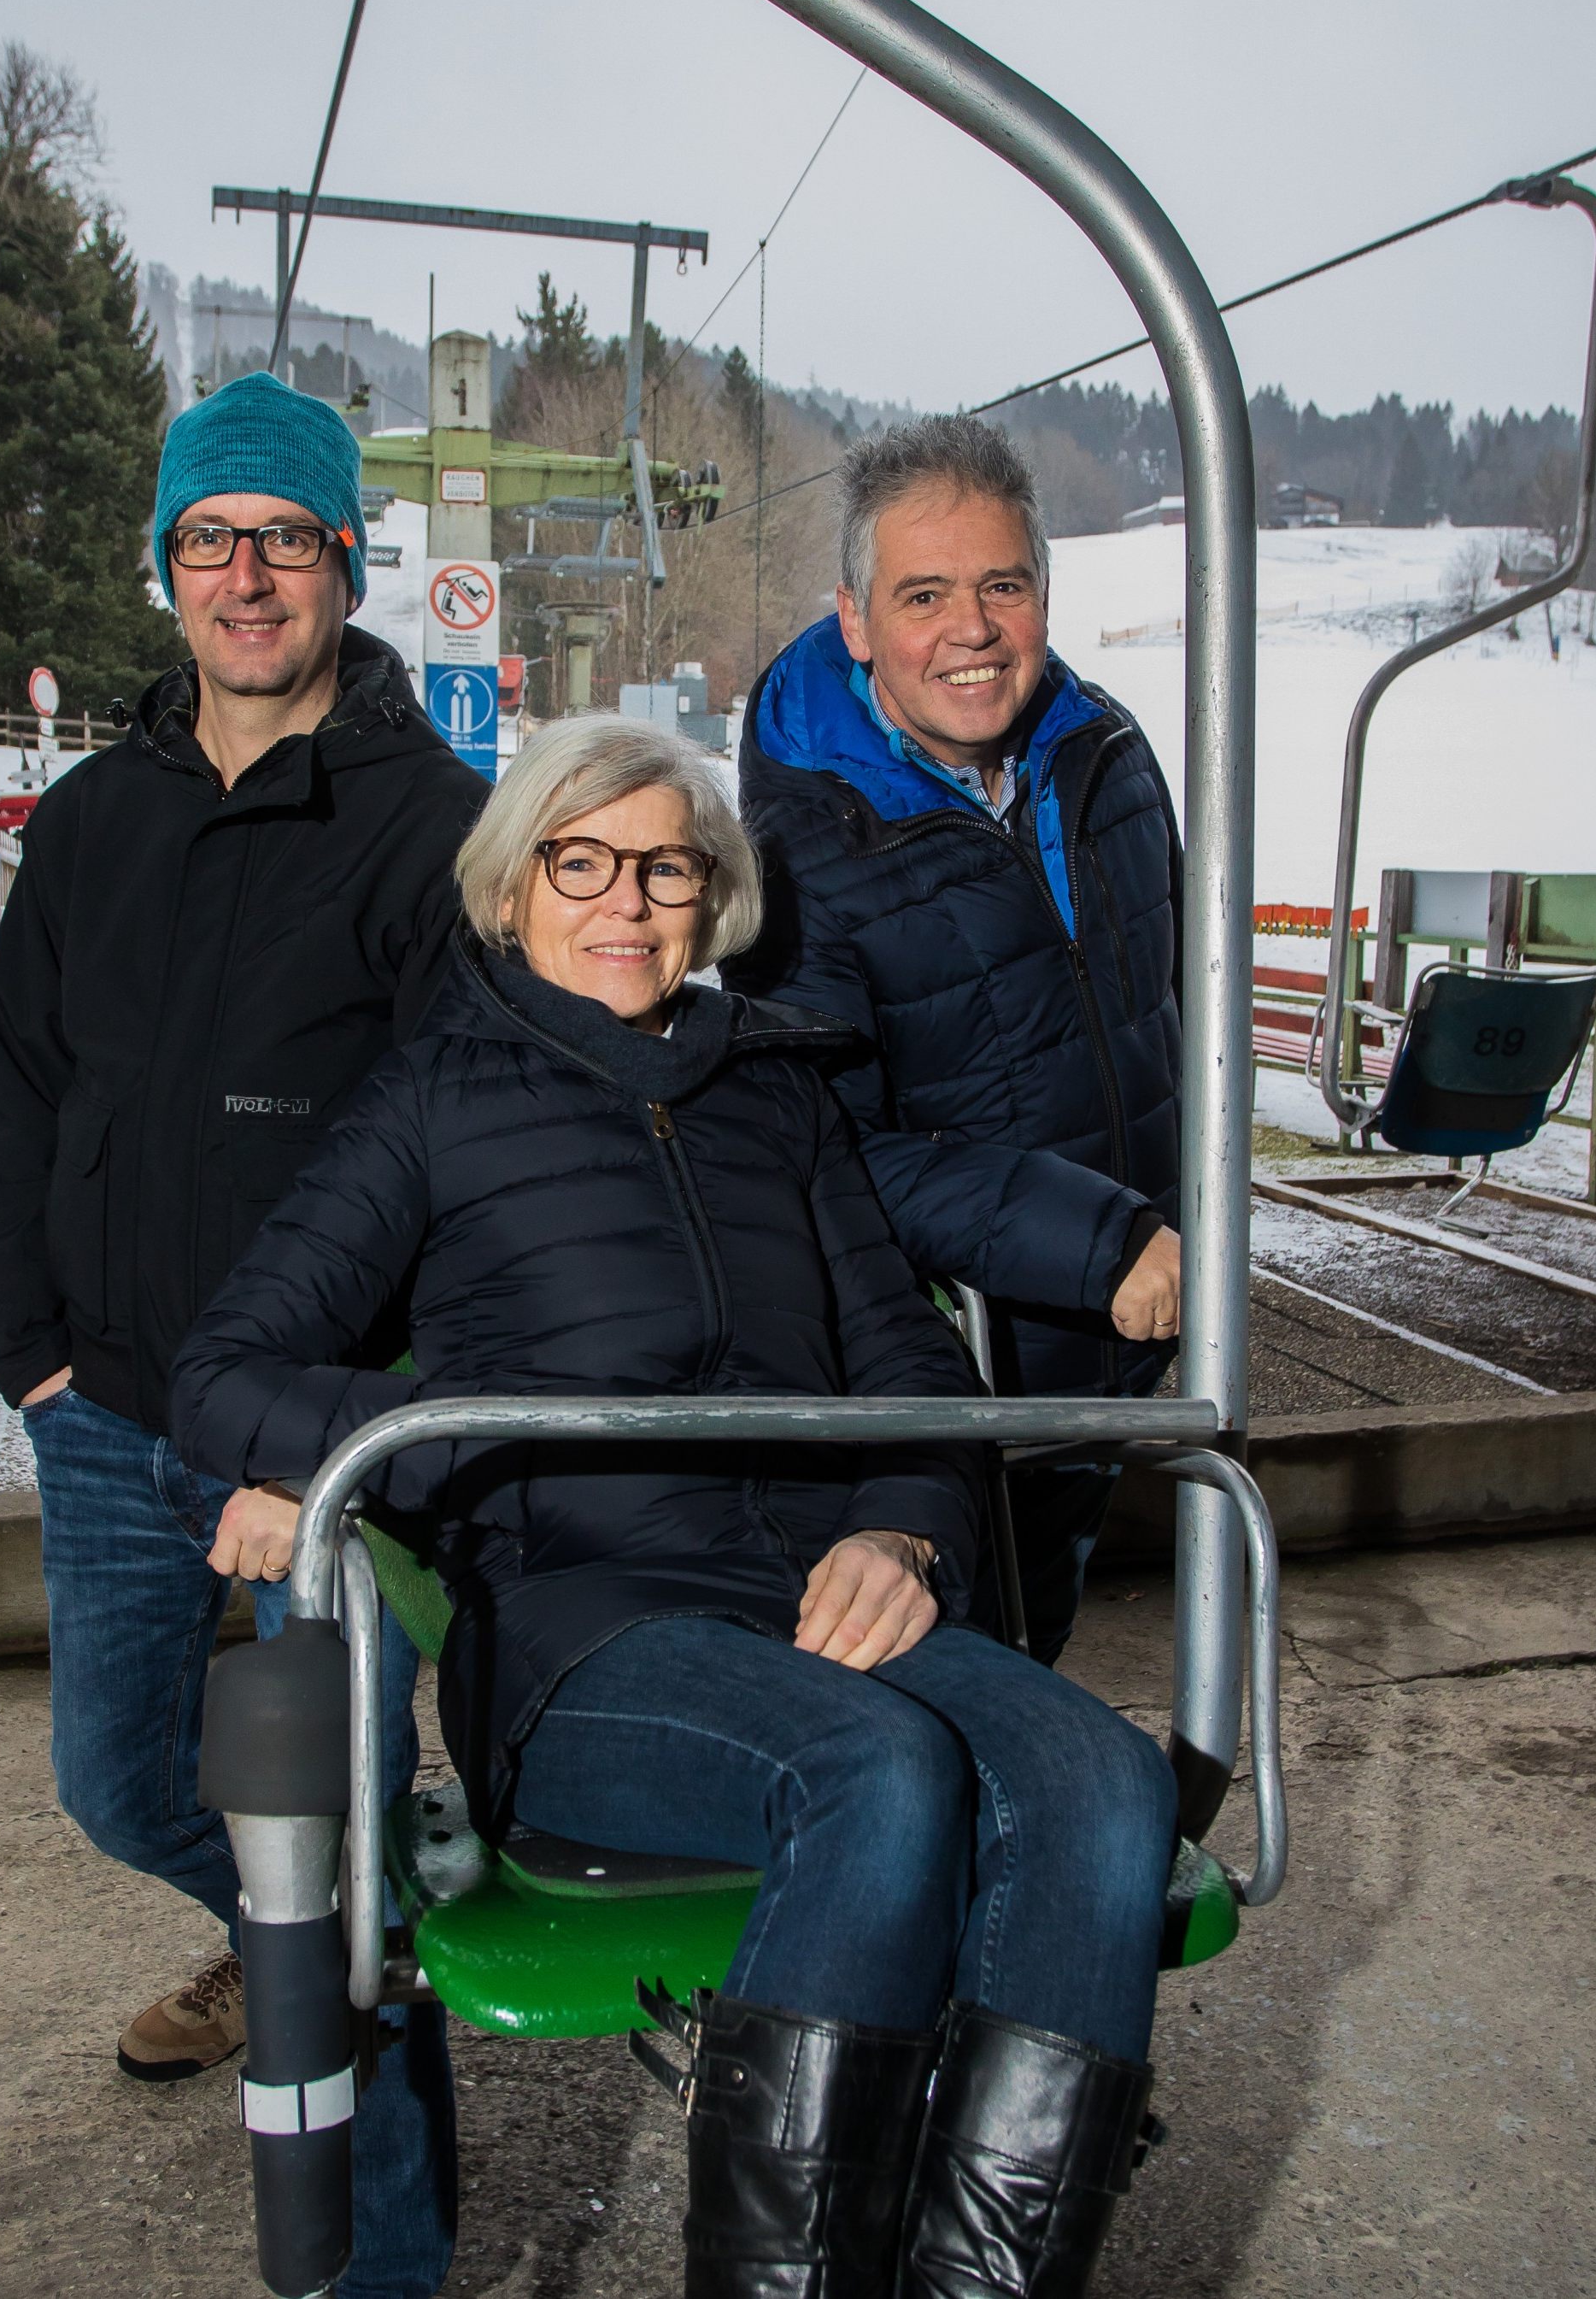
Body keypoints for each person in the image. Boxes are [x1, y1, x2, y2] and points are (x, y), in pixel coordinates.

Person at [171, 716, 1177, 2299]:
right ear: (515, 890)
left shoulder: (777, 1099)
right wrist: (450, 1451)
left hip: (820, 1601)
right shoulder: (434, 1103)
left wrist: (903, 1527)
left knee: (1107, 1781)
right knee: (876, 1773)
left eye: (664, 865)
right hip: (595, 1631)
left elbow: (909, 1361)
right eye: (582, 862)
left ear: (711, 896)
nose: (625, 902)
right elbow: (225, 1370)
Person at [0, 368, 483, 2298]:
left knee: (325, 1856)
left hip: (314, 1438)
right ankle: (315, 1938)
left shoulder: (433, 826)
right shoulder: (90, 823)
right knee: (121, 1780)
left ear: (346, 564)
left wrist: (351, 1417)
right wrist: (24, 1338)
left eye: (284, 539)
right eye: (210, 540)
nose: (246, 577)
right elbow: (17, 1085)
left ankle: (389, 2252)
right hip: (101, 1403)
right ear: (167, 569)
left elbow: (461, 1136)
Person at [728, 413, 1187, 1667]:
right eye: (922, 594)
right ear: (856, 619)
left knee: (1042, 1638)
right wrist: (1100, 1238)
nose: (971, 630)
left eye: (1002, 586)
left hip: (1108, 1345)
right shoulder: (797, 849)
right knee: (946, 1699)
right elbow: (824, 1145)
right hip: (944, 1369)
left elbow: (1158, 1012)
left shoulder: (1106, 760)